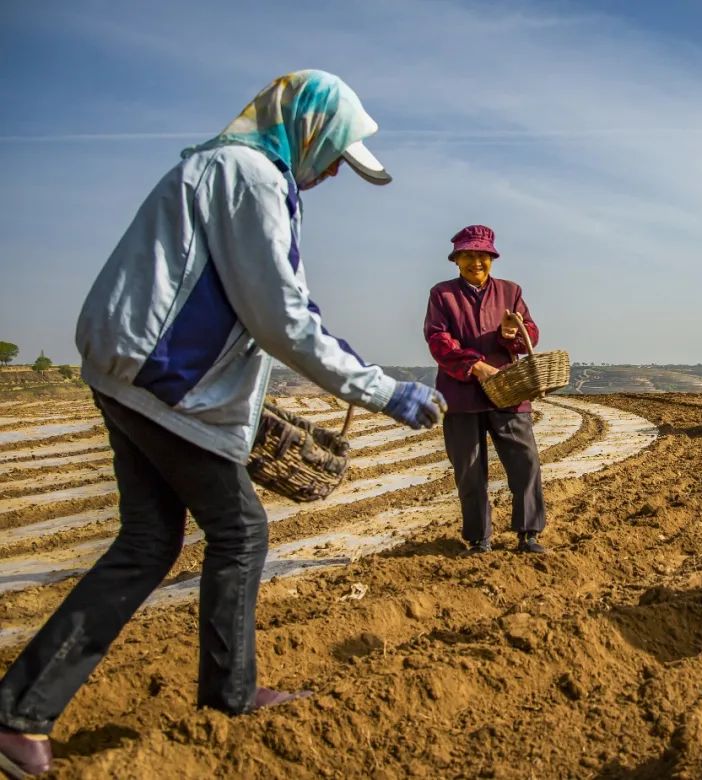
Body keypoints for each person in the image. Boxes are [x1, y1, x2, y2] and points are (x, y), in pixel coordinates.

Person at [0, 70, 445, 778]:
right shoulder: (251, 177)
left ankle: (21, 711)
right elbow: (282, 317)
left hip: (128, 370)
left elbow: (245, 303)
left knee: (150, 540)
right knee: (240, 530)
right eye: (334, 155)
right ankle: (227, 699)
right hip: (162, 377)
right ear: (308, 130)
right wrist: (383, 391)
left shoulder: (224, 168)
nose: (333, 171)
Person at [424, 225, 547, 555]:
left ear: (491, 258)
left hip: (507, 390)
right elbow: (438, 339)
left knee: (525, 461)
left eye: (482, 256)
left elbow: (530, 335)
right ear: (457, 260)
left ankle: (529, 533)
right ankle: (479, 539)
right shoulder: (442, 294)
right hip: (461, 393)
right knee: (468, 467)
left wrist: (510, 334)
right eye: (468, 255)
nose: (476, 262)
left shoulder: (511, 291)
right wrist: (475, 365)